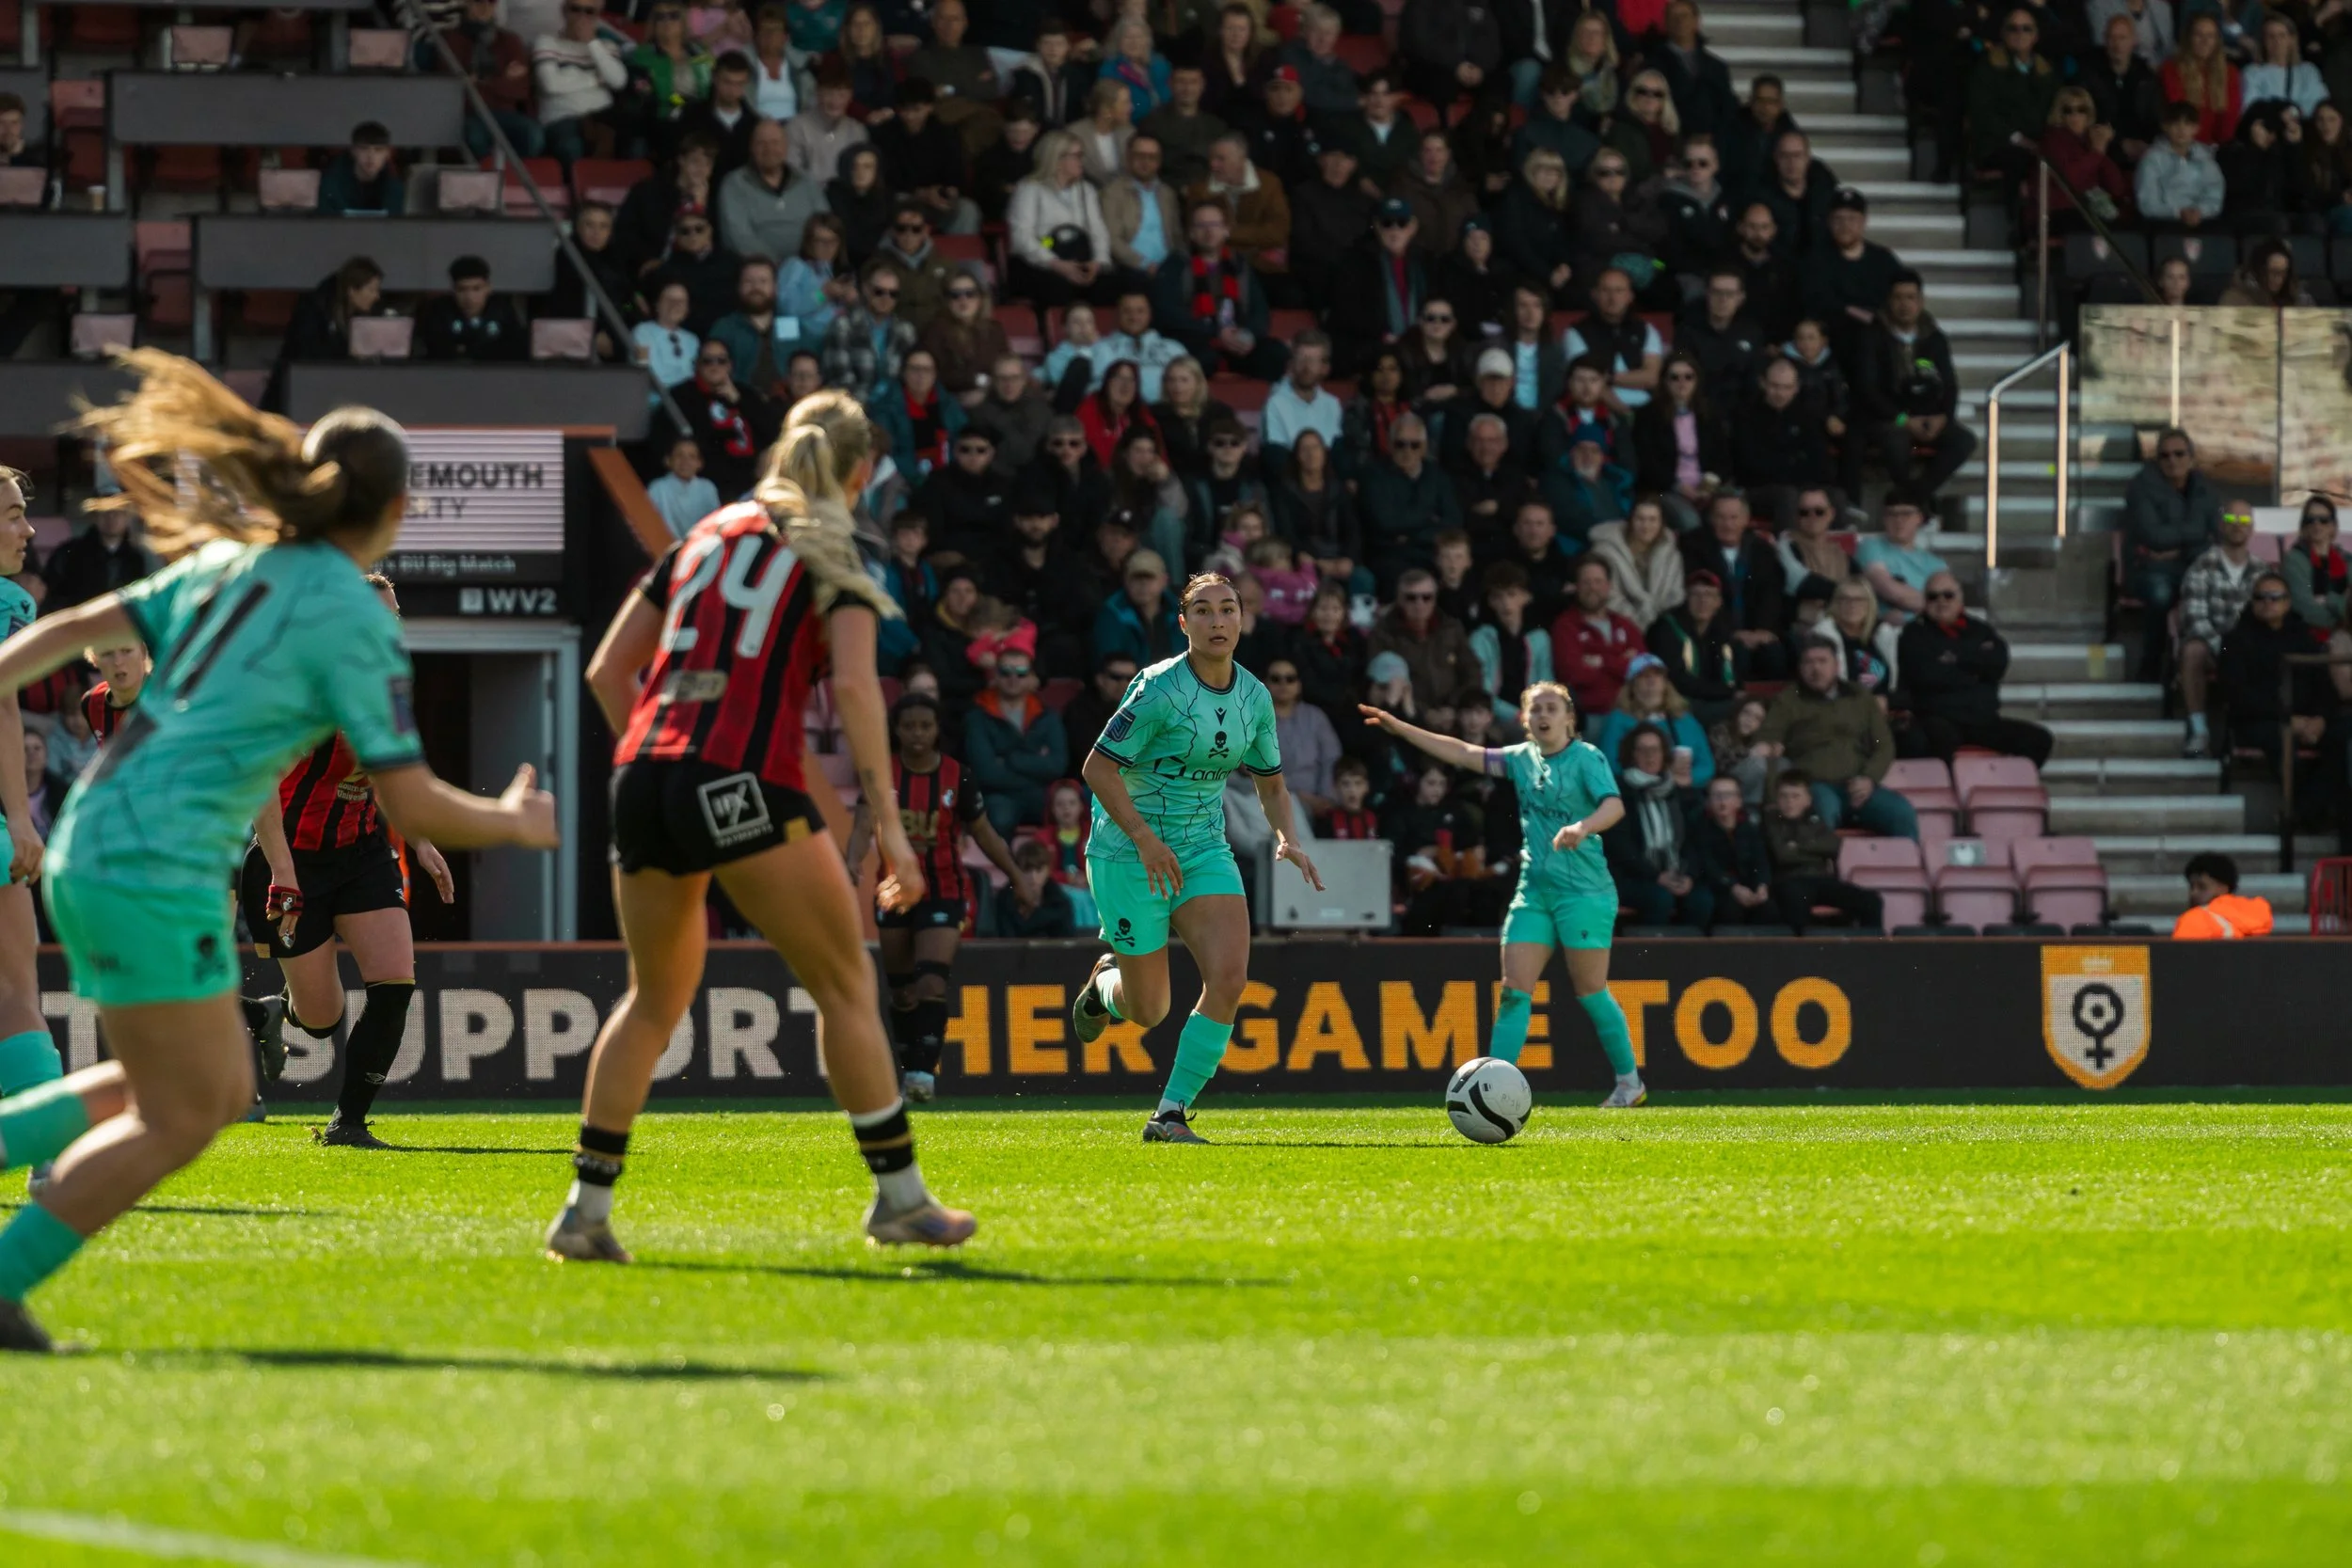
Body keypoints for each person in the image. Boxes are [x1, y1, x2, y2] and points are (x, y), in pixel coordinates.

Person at [0, 355, 558, 1351]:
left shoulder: (231, 565)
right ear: (390, 507)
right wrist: (513, 820)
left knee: (206, 1089)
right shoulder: (356, 615)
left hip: (103, 838)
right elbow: (411, 794)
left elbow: (74, 628)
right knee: (183, 1111)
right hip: (154, 861)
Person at [552, 389, 973, 1265]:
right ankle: (898, 1200)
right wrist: (893, 834)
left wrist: (674, 751)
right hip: (737, 775)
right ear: (861, 473)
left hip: (642, 773)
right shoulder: (836, 547)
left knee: (653, 999)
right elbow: (858, 691)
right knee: (845, 985)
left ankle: (584, 1213)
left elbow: (605, 671)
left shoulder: (705, 534)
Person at [1072, 574, 1320, 1144]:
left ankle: (1170, 1114)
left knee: (1230, 977)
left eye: (1227, 610)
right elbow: (1097, 768)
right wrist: (1143, 838)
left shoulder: (1255, 696)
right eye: (1203, 612)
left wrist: (1287, 836)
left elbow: (1272, 783)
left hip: (1204, 846)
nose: (1217, 621)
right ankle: (1104, 986)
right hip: (1129, 850)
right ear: (1184, 624)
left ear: (1242, 620)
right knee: (1147, 1010)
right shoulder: (1158, 688)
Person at [235, 574, 455, 1147]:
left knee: (395, 981)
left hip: (362, 854)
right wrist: (282, 872)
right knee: (322, 1018)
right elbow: (261, 787)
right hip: (290, 858)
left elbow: (389, 776)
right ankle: (267, 1015)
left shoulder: (388, 689)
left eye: (396, 615)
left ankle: (348, 1123)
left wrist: (421, 839)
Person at [1359, 682, 1646, 1107]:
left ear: (1569, 718)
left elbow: (1614, 806)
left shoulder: (1587, 758)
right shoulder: (1521, 759)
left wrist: (1582, 827)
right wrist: (1403, 728)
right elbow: (1461, 752)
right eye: (1536, 710)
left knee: (1590, 990)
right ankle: (1493, 1093)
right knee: (1514, 990)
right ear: (1526, 721)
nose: (1543, 716)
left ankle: (1629, 1084)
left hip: (1584, 892)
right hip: (1534, 891)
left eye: (1552, 708)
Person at [843, 694, 1022, 1101]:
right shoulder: (880, 774)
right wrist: (851, 861)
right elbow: (861, 828)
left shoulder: (957, 776)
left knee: (930, 983)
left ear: (937, 729)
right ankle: (909, 1070)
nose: (918, 734)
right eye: (910, 726)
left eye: (925, 726)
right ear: (898, 730)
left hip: (945, 890)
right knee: (902, 991)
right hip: (892, 892)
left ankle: (923, 1074)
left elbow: (984, 833)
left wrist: (1017, 876)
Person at [1753, 638, 1916, 837]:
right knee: (1823, 811)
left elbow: (1884, 745)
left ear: (1837, 665)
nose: (1816, 668)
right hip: (1814, 784)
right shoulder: (1788, 699)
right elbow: (1768, 735)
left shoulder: (1860, 696)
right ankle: (1824, 868)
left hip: (1858, 783)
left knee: (1902, 812)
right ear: (1800, 668)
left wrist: (1869, 778)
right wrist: (1767, 746)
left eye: (1822, 661)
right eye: (1809, 662)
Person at [1895, 573, 2054, 766]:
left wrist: (1954, 659)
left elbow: (1998, 664)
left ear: (1960, 598)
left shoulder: (1980, 629)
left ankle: (2004, 790)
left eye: (1948, 595)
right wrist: (1975, 668)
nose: (1941, 601)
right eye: (1933, 596)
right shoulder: (1913, 634)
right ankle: (1947, 794)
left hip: (1982, 721)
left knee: (2039, 740)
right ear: (1925, 601)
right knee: (1936, 740)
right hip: (1940, 718)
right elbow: (1927, 676)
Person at [1851, 266, 1974, 495]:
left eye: (1910, 298)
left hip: (1928, 417)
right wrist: (1904, 420)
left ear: (1920, 301)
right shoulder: (1872, 336)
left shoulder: (1934, 337)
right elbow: (1867, 389)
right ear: (1888, 301)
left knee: (1964, 441)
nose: (1904, 304)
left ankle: (1914, 495)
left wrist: (1943, 417)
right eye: (1898, 298)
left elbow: (1949, 384)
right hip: (1891, 418)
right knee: (1897, 441)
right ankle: (1913, 501)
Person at [2122, 426, 2222, 677]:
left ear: (2191, 457)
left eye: (2179, 454)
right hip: (2149, 568)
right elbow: (2153, 537)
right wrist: (2195, 536)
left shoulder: (2205, 489)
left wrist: (2176, 549)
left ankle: (2213, 664)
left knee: (2220, 589)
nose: (2172, 461)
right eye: (2164, 456)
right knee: (2161, 594)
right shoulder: (2140, 487)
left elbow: (2218, 535)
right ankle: (2151, 666)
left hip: (2191, 566)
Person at [1151, 199, 1285, 379]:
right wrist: (1215, 332)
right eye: (1202, 226)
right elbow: (1168, 313)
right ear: (1191, 233)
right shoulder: (1176, 264)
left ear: (1226, 230)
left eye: (1215, 224)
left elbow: (1260, 311)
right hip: (1198, 339)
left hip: (1237, 341)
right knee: (1198, 359)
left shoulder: (1240, 265)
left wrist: (1247, 335)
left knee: (1276, 354)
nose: (1209, 231)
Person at [2176, 504, 2262, 757]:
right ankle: (2200, 732)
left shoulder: (2262, 571)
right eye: (2230, 517)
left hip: (2250, 647)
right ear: (2221, 525)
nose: (2238, 523)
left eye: (2244, 518)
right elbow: (2195, 619)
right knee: (2192, 650)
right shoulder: (2202, 565)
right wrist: (2226, 650)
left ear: (2252, 527)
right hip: (2216, 645)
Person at [1605, 722, 1709, 928]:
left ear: (1664, 753)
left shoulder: (1678, 791)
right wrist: (1656, 876)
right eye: (1642, 750)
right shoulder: (1618, 792)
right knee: (1660, 899)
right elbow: (1620, 848)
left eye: (1655, 749)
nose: (1649, 756)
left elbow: (1692, 840)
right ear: (1632, 754)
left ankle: (1689, 958)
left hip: (1674, 872)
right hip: (1633, 876)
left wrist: (1688, 876)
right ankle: (1653, 957)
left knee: (1702, 901)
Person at [1760, 768, 1885, 931]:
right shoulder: (1771, 820)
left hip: (1822, 880)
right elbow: (1783, 854)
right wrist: (1814, 848)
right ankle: (1800, 953)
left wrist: (1797, 846)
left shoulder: (1815, 818)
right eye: (1784, 796)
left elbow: (1834, 846)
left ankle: (1870, 951)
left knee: (1871, 901)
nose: (1790, 802)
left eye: (1796, 796)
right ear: (1777, 799)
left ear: (1808, 799)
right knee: (1795, 904)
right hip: (1790, 880)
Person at [1680, 491, 1787, 677]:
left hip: (1757, 630)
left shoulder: (1762, 550)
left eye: (1734, 517)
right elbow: (1698, 595)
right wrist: (1733, 633)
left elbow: (1771, 595)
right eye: (1721, 517)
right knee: (1738, 654)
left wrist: (1763, 630)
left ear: (1746, 520)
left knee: (1774, 654)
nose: (1728, 524)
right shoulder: (1692, 546)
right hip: (1713, 631)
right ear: (1711, 519)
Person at [961, 647, 1068, 834]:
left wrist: (1011, 760)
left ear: (1031, 677)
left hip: (1040, 795)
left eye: (1021, 673)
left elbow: (1058, 765)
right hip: (998, 796)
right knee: (999, 816)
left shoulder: (1047, 715)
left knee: (1068, 808)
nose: (1013, 679)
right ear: (995, 675)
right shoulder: (977, 717)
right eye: (1005, 672)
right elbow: (986, 772)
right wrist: (1036, 763)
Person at [1008, 130, 1119, 308]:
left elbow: (1098, 231)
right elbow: (1022, 237)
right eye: (1077, 156)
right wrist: (1056, 264)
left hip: (1079, 254)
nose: (1082, 161)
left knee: (1109, 283)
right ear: (1057, 160)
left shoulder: (1086, 190)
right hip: (1044, 250)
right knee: (1056, 286)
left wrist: (1098, 262)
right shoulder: (1029, 188)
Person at [1592, 652, 1715, 786]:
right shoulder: (1619, 719)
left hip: (1682, 793)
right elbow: (1609, 764)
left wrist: (1687, 779)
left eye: (1657, 674)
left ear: (1665, 682)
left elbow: (1706, 765)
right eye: (1643, 675)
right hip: (1636, 792)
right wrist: (1648, 779)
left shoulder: (1685, 719)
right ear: (1632, 685)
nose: (1651, 680)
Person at [533, 0, 632, 168]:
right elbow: (551, 85)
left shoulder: (606, 46)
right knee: (571, 146)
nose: (582, 17)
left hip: (602, 117)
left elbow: (618, 81)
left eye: (589, 12)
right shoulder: (547, 42)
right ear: (565, 11)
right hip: (562, 118)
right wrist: (594, 80)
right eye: (576, 9)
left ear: (598, 15)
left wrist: (592, 43)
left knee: (633, 142)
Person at [718, 119, 829, 268]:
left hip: (810, 268)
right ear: (751, 148)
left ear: (786, 146)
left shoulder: (806, 181)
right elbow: (737, 236)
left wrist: (807, 264)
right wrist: (775, 265)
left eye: (775, 142)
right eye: (761, 143)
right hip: (758, 272)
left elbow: (826, 224)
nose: (769, 149)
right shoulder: (734, 184)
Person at [1550, 556, 1645, 717]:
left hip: (1632, 711)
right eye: (1586, 582)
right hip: (1591, 715)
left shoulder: (1625, 625)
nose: (1592, 587)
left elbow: (1642, 669)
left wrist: (1601, 661)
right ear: (1576, 587)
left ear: (1608, 586)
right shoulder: (1565, 626)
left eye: (1598, 581)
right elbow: (1573, 675)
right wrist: (1621, 661)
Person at [1648, 568, 1744, 715]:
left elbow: (1731, 674)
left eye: (1709, 595)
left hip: (1710, 699)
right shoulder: (1666, 628)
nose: (1702, 601)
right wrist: (1727, 692)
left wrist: (1729, 692)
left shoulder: (1722, 631)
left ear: (1718, 602)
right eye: (1696, 594)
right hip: (1676, 702)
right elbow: (1677, 680)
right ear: (1686, 598)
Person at [818, 261, 919, 396]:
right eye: (879, 292)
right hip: (855, 408)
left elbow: (909, 378)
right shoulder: (842, 326)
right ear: (866, 289)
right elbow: (840, 380)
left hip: (896, 408)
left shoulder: (906, 331)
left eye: (893, 294)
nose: (886, 298)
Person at [1692, 774, 1777, 929]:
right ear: (1709, 801)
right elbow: (1707, 866)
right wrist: (1733, 887)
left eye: (1728, 796)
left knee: (1769, 909)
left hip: (1748, 887)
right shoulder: (1700, 829)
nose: (1723, 802)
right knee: (1729, 910)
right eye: (1717, 796)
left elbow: (1761, 860)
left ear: (1739, 801)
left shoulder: (1749, 828)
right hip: (1719, 888)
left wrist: (1762, 886)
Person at [1855, 487, 1947, 624]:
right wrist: (1935, 606)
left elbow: (1948, 602)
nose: (1898, 520)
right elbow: (1887, 588)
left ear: (1919, 518)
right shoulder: (1870, 546)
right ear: (1884, 518)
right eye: (1892, 514)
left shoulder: (1937, 564)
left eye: (1906, 514)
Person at [1104, 135, 1184, 283]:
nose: (1146, 162)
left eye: (1152, 157)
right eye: (1140, 156)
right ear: (1128, 158)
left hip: (1168, 268)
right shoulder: (1113, 192)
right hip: (1131, 268)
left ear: (1159, 162)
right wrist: (1143, 264)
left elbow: (1177, 237)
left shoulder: (1168, 194)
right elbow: (1112, 240)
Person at [2136, 101, 2226, 228]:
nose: (2181, 129)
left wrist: (2200, 212)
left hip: (2202, 225)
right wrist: (2178, 213)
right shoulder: (2152, 159)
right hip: (2162, 226)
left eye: (2187, 124)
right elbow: (2147, 203)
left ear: (2196, 128)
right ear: (2165, 126)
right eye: (2175, 124)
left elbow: (2214, 196)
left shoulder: (2206, 159)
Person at [2162, 13, 2241, 148]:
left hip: (2218, 147)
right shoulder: (2171, 70)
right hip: (2181, 145)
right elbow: (2177, 115)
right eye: (2198, 35)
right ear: (2188, 38)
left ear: (2217, 40)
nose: (2204, 41)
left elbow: (2230, 118)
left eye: (2210, 36)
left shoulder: (2230, 72)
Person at [2169, 850, 2275, 939]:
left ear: (2223, 888)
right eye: (2191, 887)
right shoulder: (2258, 918)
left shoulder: (2194, 920)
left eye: (2202, 887)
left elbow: (2178, 960)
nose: (2193, 893)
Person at [318, 120, 406, 216]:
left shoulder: (395, 189)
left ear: (388, 153)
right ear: (353, 150)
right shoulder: (330, 187)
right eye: (364, 148)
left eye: (378, 150)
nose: (371, 156)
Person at [647, 433, 722, 535]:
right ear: (668, 460)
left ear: (699, 463)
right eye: (679, 455)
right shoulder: (657, 488)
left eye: (692, 456)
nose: (685, 461)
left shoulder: (707, 488)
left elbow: (715, 524)